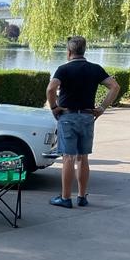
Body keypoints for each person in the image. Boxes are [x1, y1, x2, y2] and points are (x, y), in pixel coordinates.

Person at [46, 35, 120, 208]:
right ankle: (82, 196)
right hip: (87, 116)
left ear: (69, 52)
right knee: (83, 158)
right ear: (83, 50)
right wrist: (101, 108)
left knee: (68, 158)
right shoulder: (95, 69)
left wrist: (54, 107)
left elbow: (51, 88)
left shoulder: (63, 70)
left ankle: (65, 198)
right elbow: (114, 86)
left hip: (68, 117)